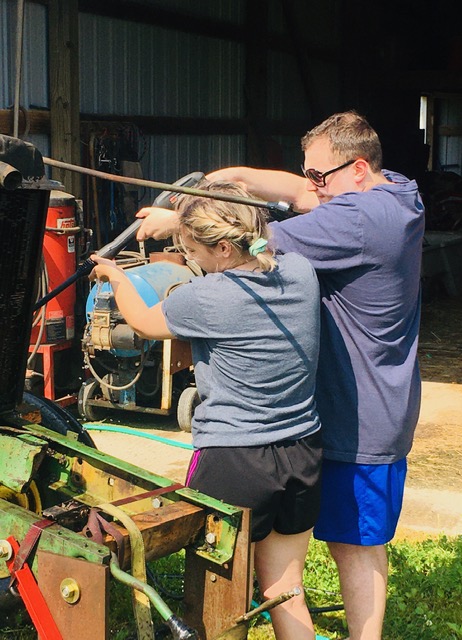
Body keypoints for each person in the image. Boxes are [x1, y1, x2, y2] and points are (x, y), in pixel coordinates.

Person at [204, 111, 425, 640]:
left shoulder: (358, 220)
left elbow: (261, 247)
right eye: (311, 175)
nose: (312, 187)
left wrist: (189, 230)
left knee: (355, 544)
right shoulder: (398, 192)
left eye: (321, 176)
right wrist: (232, 178)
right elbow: (302, 194)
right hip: (372, 403)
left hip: (362, 414)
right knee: (348, 540)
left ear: (358, 169)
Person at [90, 181, 323, 640]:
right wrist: (183, 221)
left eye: (190, 247)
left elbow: (142, 322)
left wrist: (117, 279)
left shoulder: (207, 297)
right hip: (302, 453)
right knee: (286, 586)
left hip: (235, 461)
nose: (188, 255)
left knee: (214, 600)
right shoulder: (300, 271)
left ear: (220, 246)